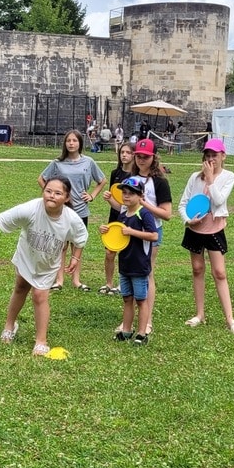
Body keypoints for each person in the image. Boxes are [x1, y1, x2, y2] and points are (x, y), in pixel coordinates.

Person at [0, 176, 88, 357]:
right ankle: (9, 326)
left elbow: (80, 238)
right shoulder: (31, 209)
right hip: (27, 256)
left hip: (48, 263)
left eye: (58, 193)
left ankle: (41, 340)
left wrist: (75, 258)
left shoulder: (71, 219)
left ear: (66, 198)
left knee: (39, 295)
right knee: (20, 287)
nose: (51, 196)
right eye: (48, 191)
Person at [177, 138, 234, 334]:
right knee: (197, 269)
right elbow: (183, 204)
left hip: (214, 229)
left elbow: (219, 199)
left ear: (223, 156)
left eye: (215, 155)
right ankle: (199, 314)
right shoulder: (194, 178)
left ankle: (230, 319)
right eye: (208, 155)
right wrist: (188, 220)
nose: (211, 158)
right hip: (195, 229)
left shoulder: (228, 176)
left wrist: (211, 178)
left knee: (220, 273)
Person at [38, 130, 105, 291]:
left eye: (74, 140)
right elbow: (42, 179)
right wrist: (53, 197)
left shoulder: (88, 162)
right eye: (68, 141)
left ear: (80, 143)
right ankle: (59, 280)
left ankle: (76, 280)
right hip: (62, 211)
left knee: (78, 244)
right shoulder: (57, 163)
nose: (71, 143)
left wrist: (92, 195)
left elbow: (102, 180)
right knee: (61, 245)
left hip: (81, 210)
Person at [100, 178, 158, 345]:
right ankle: (126, 330)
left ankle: (141, 333)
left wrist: (132, 231)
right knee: (127, 298)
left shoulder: (144, 213)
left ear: (140, 195)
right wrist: (106, 230)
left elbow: (153, 235)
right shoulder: (123, 215)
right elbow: (118, 238)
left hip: (139, 265)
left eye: (130, 193)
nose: (126, 196)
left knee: (141, 300)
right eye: (124, 193)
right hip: (124, 264)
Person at [125, 138, 172, 333]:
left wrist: (144, 204)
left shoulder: (160, 181)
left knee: (147, 273)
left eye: (145, 157)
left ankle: (147, 319)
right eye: (138, 156)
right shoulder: (130, 178)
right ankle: (128, 319)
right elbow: (124, 206)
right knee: (128, 274)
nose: (141, 160)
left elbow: (167, 214)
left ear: (153, 158)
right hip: (129, 231)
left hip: (151, 232)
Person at [99, 142, 135, 295]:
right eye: (122, 152)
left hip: (130, 218)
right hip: (114, 217)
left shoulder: (136, 177)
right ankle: (108, 283)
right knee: (109, 252)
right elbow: (113, 195)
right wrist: (108, 198)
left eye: (128, 152)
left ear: (134, 155)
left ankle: (123, 284)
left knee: (126, 253)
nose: (124, 155)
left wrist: (114, 203)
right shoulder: (115, 173)